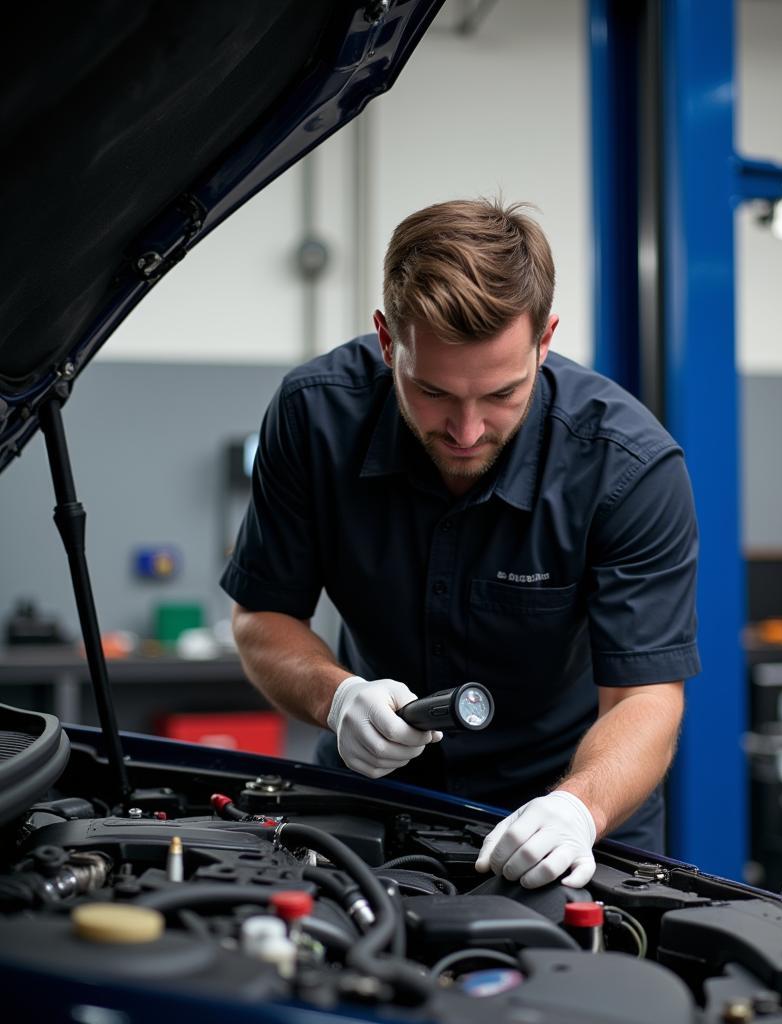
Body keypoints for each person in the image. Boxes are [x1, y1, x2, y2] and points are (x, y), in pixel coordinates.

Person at [221, 198, 700, 890]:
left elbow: (644, 699)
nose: (467, 430)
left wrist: (577, 808)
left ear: (545, 339)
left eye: (502, 393)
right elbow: (261, 618)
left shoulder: (627, 467)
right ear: (388, 342)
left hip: (565, 818)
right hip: (374, 798)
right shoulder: (313, 417)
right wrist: (338, 697)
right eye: (433, 391)